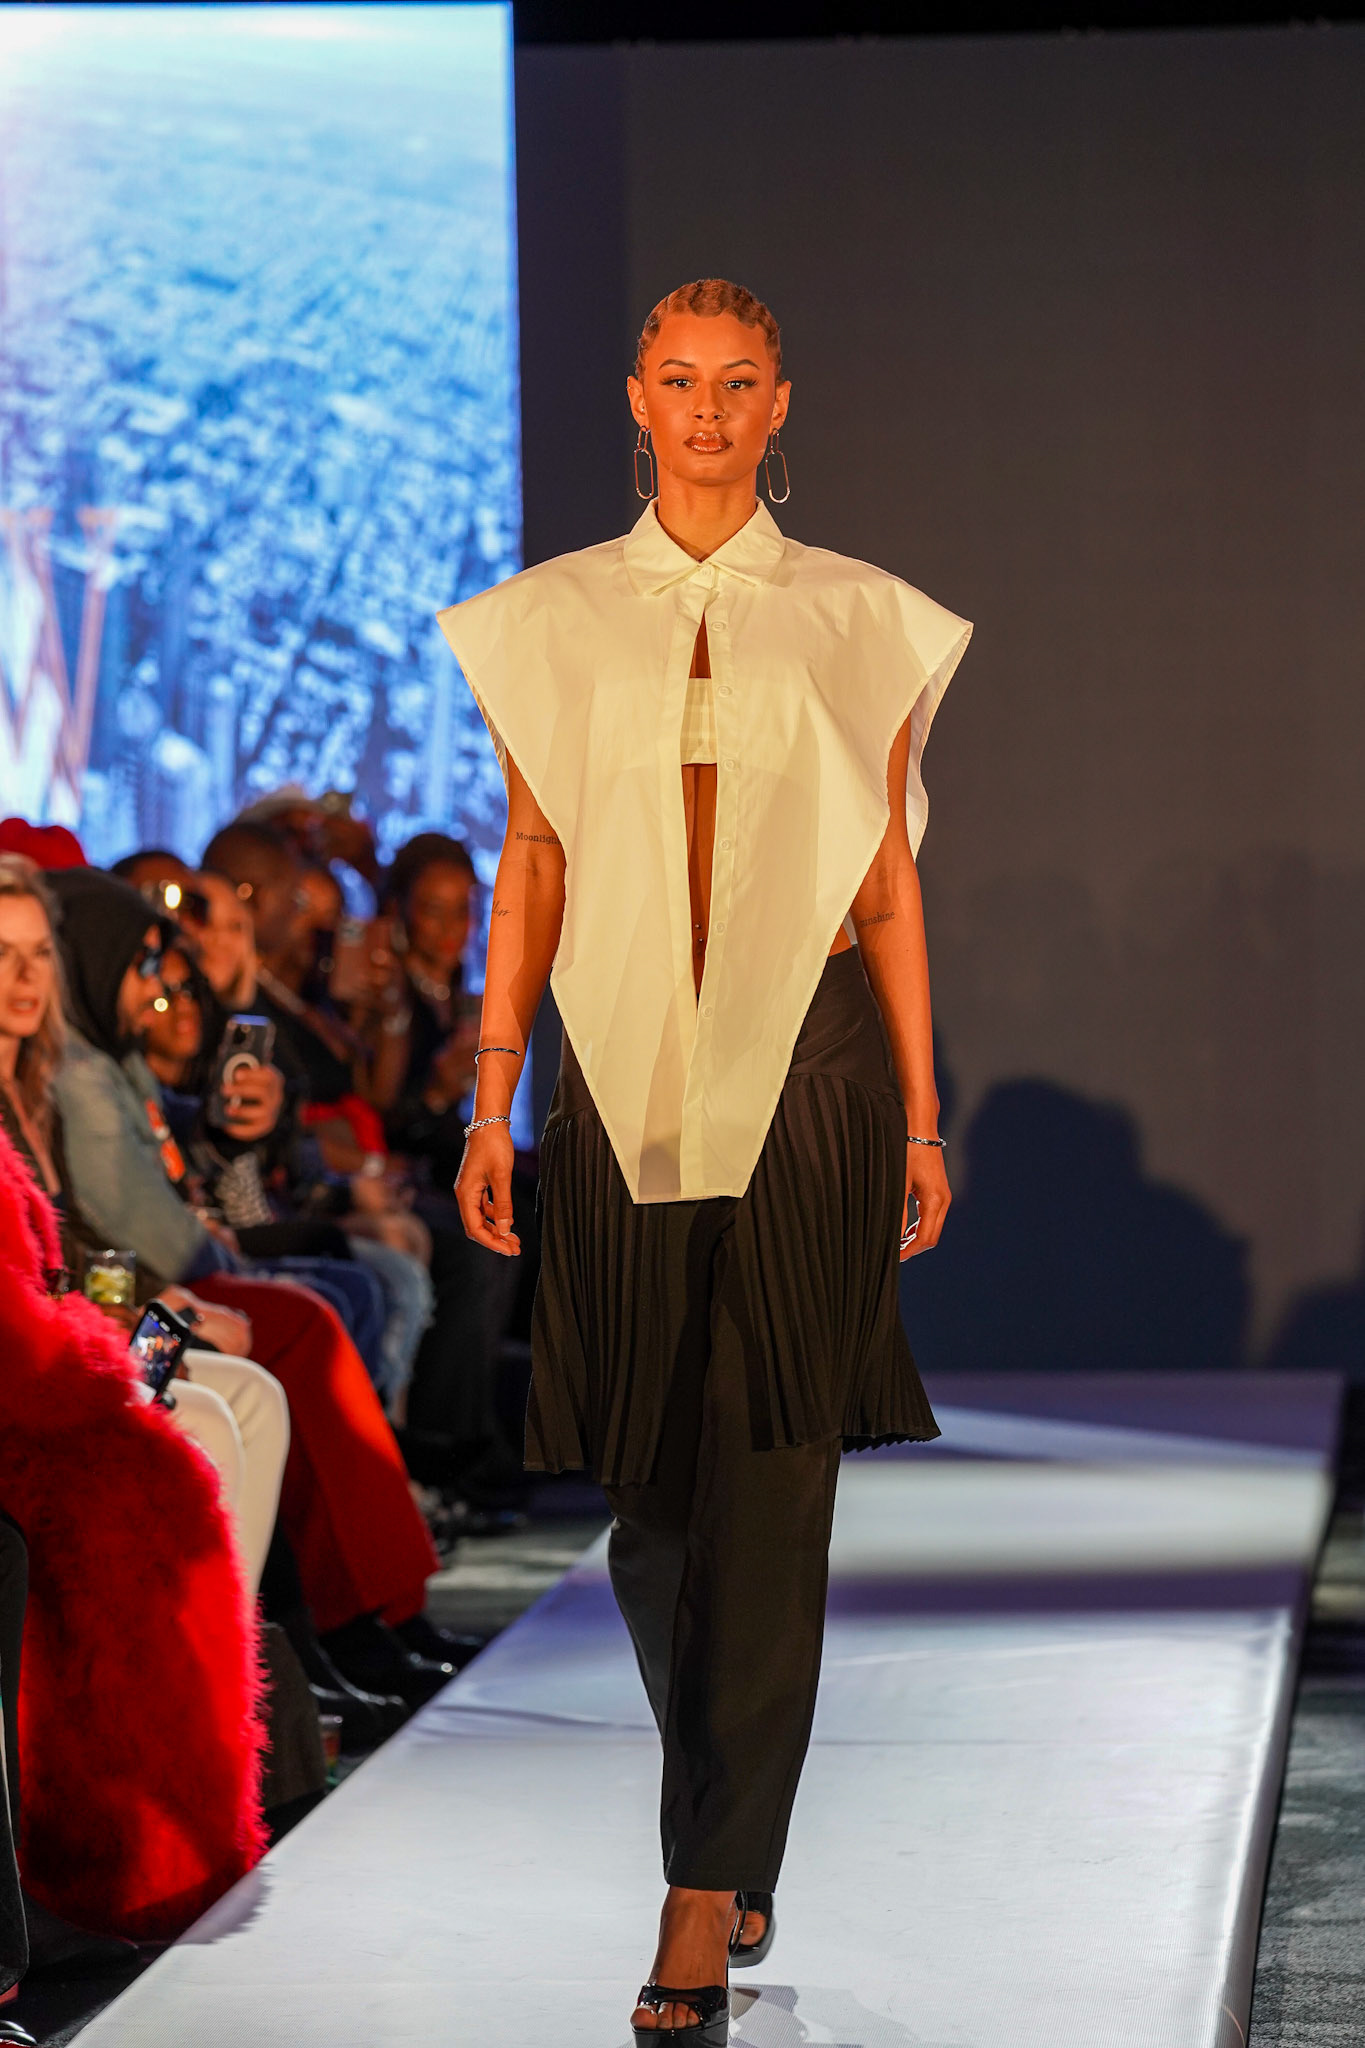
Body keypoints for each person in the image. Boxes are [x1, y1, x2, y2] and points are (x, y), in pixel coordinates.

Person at [438, 278, 971, 2042]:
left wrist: (919, 1112)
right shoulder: (552, 619)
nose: (711, 409)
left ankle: (699, 1885)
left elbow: (886, 887)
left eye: (740, 381)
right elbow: (529, 857)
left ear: (781, 401)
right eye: (681, 380)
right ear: (636, 398)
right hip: (619, 1060)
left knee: (774, 1466)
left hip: (811, 1060)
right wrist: (492, 1091)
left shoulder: (858, 618)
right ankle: (728, 1805)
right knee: (650, 1495)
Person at [0, 857, 288, 1596]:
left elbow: (74, 1245)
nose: (26, 977)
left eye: (39, 954)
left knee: (253, 1396)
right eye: (3, 954)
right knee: (209, 1414)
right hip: (34, 1364)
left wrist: (154, 1303)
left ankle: (246, 1645)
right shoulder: (51, 1087)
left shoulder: (38, 1082)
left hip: (81, 1333)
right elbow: (28, 1280)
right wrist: (133, 1315)